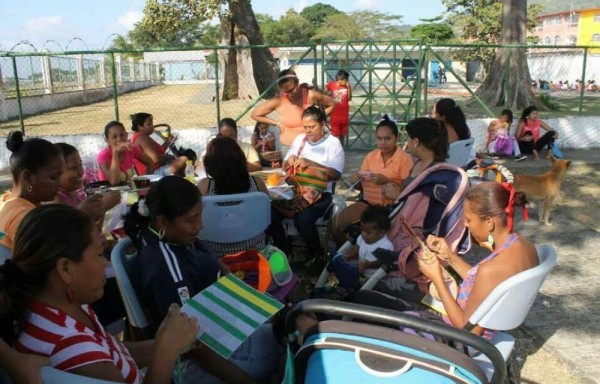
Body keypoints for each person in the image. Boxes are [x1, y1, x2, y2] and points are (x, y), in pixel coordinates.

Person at [1, 204, 198, 383]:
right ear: (66, 270)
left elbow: (112, 352)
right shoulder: (72, 347)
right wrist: (165, 352)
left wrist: (171, 343)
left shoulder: (61, 307)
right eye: (98, 255)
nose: (105, 263)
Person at [124, 176, 283, 384]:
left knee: (286, 328)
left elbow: (219, 266)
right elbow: (194, 348)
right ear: (163, 221)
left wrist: (255, 305)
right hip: (198, 359)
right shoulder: (164, 265)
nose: (200, 225)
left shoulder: (176, 236)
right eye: (192, 220)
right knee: (288, 348)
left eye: (200, 216)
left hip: (219, 327)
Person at [354, 182, 536, 339]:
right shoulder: (524, 247)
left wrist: (437, 279)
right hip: (480, 324)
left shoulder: (490, 269)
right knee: (378, 291)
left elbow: (468, 332)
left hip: (456, 339)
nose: (465, 225)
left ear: (489, 222)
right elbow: (482, 282)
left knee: (363, 298)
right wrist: (450, 256)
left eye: (469, 220)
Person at [269, 105, 345, 258]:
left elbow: (336, 174)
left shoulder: (333, 143)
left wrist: (311, 163)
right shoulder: (300, 140)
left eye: (312, 126)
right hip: (297, 191)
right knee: (269, 214)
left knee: (302, 220)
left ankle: (316, 255)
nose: (308, 131)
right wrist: (289, 161)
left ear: (323, 125)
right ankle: (285, 251)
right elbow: (285, 167)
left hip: (321, 194)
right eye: (305, 127)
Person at [332, 114, 413, 246]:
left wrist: (386, 181)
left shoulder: (404, 159)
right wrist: (356, 181)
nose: (383, 142)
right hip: (368, 203)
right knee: (336, 224)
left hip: (390, 208)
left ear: (397, 138)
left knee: (369, 230)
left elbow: (408, 191)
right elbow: (361, 187)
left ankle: (360, 253)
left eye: (387, 138)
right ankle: (343, 255)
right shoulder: (371, 156)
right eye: (379, 139)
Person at [198, 136, 269, 256]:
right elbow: (266, 214)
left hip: (215, 254)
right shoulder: (257, 183)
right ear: (241, 159)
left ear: (210, 162)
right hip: (254, 251)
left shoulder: (205, 186)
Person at [0, 131, 63, 249]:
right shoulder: (24, 216)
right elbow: (47, 259)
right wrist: (84, 218)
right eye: (53, 177)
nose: (59, 183)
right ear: (27, 177)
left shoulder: (6, 201)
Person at [251, 68, 334, 149]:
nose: (290, 94)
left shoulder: (310, 95)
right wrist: (277, 123)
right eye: (286, 92)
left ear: (297, 83)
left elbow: (331, 104)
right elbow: (255, 114)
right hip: (289, 146)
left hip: (311, 145)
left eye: (292, 90)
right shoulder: (279, 101)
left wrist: (318, 118)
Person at [381, 117, 449, 203]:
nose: (407, 143)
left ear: (416, 142)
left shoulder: (437, 172)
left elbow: (425, 207)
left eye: (408, 139)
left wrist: (398, 196)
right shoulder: (419, 162)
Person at [331, 205, 393, 292]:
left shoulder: (386, 246)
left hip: (373, 278)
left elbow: (381, 262)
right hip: (359, 273)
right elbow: (356, 249)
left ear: (381, 232)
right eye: (362, 230)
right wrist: (346, 256)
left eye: (368, 233)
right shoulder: (363, 238)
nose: (363, 234)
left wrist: (370, 264)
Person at [54, 143, 121, 221]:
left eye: (80, 164)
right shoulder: (57, 203)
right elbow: (73, 230)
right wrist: (102, 206)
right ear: (57, 172)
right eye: (74, 167)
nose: (81, 171)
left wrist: (102, 208)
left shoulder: (74, 194)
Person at [97, 121, 154, 185]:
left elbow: (150, 163)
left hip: (128, 192)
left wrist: (146, 183)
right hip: (110, 192)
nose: (119, 139)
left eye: (122, 135)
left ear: (126, 135)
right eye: (114, 137)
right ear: (107, 140)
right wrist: (115, 153)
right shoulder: (103, 155)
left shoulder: (131, 148)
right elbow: (114, 181)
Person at [326, 69, 352, 144]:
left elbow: (349, 98)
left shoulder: (347, 87)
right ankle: (334, 150)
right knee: (334, 135)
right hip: (335, 115)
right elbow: (322, 92)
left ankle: (341, 150)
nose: (347, 82)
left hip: (344, 116)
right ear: (341, 80)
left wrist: (349, 87)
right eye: (346, 80)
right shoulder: (331, 84)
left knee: (342, 135)